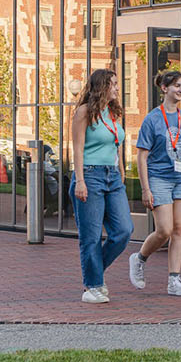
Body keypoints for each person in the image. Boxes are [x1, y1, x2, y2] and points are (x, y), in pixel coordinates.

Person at [128, 71, 181, 297]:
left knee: (179, 229)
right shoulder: (152, 119)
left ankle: (174, 281)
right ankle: (139, 258)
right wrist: (145, 188)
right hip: (159, 178)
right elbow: (142, 156)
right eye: (176, 86)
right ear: (163, 88)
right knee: (164, 229)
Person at [69, 69, 134, 304]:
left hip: (113, 176)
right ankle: (92, 286)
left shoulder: (113, 112)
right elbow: (77, 148)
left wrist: (122, 170)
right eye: (114, 84)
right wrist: (80, 181)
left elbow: (117, 142)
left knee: (123, 230)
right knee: (91, 236)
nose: (118, 88)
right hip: (90, 174)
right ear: (102, 87)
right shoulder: (84, 112)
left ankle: (95, 273)